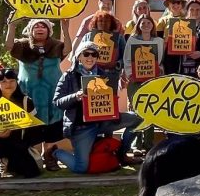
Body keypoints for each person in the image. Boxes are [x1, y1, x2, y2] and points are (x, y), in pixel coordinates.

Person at [52, 43, 144, 173]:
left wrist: (112, 102)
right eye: (86, 54)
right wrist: (75, 96)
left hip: (103, 122)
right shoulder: (69, 76)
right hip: (82, 127)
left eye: (94, 54)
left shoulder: (104, 75)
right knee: (81, 168)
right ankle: (56, 153)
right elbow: (57, 102)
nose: (90, 57)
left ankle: (122, 154)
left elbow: (110, 98)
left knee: (138, 120)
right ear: (79, 57)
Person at [7, 17, 70, 171]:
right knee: (31, 126)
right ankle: (33, 159)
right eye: (36, 26)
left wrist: (65, 28)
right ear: (30, 30)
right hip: (29, 93)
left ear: (49, 30)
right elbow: (8, 46)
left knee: (51, 126)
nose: (40, 28)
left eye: (43, 26)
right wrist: (12, 25)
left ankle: (49, 157)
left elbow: (68, 50)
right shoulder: (22, 46)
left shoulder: (55, 46)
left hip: (51, 93)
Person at [0, 69, 45, 179]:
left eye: (11, 81)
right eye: (4, 82)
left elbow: (36, 128)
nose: (8, 85)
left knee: (31, 173)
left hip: (18, 143)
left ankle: (11, 164)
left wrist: (24, 142)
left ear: (16, 82)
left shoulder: (25, 101)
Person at [122, 14, 164, 155]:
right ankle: (136, 144)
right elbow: (127, 59)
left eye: (148, 22)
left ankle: (148, 143)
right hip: (135, 81)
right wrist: (130, 74)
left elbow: (159, 60)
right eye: (143, 23)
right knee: (137, 112)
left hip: (152, 80)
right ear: (138, 25)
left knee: (150, 111)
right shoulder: (132, 40)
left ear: (153, 25)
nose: (146, 25)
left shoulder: (158, 41)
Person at [76, 11, 126, 88]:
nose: (103, 23)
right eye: (100, 21)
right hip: (92, 74)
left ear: (111, 23)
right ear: (96, 22)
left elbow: (126, 56)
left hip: (112, 75)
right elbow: (78, 54)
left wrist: (117, 64)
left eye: (107, 21)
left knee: (110, 98)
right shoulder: (88, 37)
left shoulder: (119, 38)